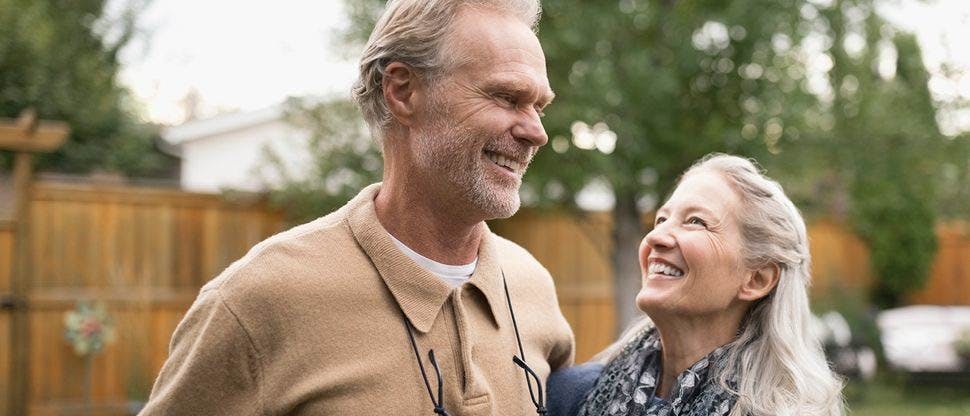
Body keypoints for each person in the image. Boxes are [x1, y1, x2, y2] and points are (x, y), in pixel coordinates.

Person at [140, 0, 574, 414]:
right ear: (402, 91)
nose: (537, 132)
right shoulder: (260, 301)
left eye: (539, 106)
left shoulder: (530, 286)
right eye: (506, 97)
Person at [548, 154, 844, 416]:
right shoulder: (571, 397)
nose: (656, 237)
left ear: (757, 279)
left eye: (696, 222)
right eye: (661, 219)